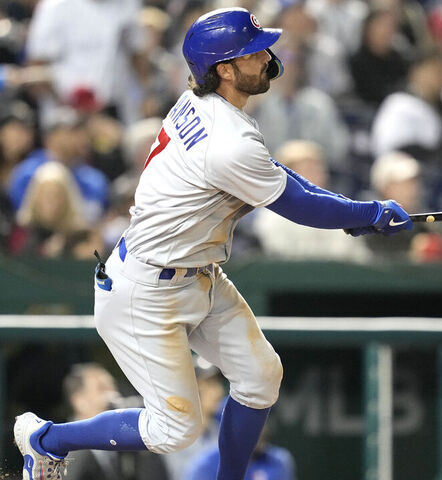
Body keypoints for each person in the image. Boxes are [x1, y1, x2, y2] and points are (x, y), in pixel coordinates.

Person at [13, 7, 412, 480]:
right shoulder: (227, 140)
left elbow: (283, 179)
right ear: (224, 69)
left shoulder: (208, 106)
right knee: (175, 430)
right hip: (147, 291)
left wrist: (358, 213)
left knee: (262, 377)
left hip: (197, 272)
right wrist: (365, 214)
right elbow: (296, 204)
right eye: (252, 52)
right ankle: (46, 439)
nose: (267, 56)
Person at [61, 363, 169, 480]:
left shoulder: (122, 446)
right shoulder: (65, 451)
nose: (114, 395)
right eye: (102, 388)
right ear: (80, 401)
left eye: (113, 387)